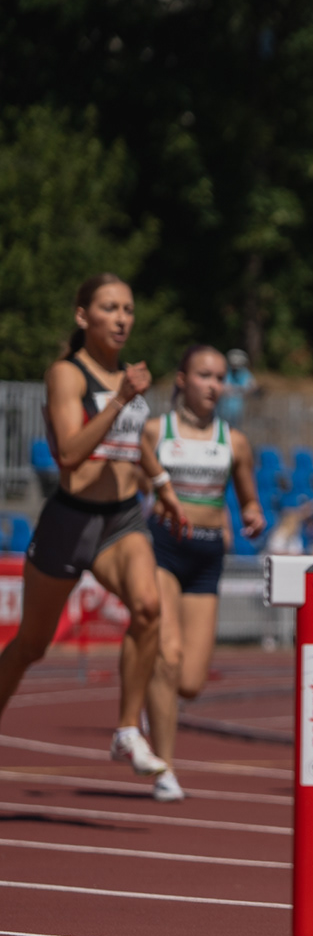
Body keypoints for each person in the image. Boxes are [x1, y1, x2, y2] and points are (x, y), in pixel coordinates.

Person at [0, 275, 184, 795]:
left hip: (121, 518)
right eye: (110, 308)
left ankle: (127, 730)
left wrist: (163, 486)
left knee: (147, 607)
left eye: (128, 309)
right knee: (32, 645)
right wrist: (119, 399)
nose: (122, 319)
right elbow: (68, 454)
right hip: (70, 521)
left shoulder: (126, 378)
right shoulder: (67, 374)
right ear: (84, 316)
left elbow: (133, 440)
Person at [139, 346, 267, 800]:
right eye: (204, 376)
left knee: (191, 682)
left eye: (219, 377)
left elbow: (248, 498)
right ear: (182, 380)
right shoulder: (156, 431)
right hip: (163, 548)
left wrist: (252, 513)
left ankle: (150, 694)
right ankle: (165, 769)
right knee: (168, 654)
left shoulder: (234, 441)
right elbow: (132, 486)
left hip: (208, 555)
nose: (214, 385)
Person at [217, 349, 257, 426]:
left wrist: (243, 391)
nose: (235, 367)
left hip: (238, 407)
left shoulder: (245, 373)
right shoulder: (225, 371)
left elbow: (253, 386)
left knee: (235, 427)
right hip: (223, 406)